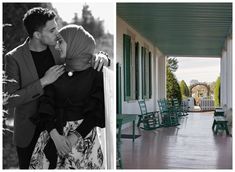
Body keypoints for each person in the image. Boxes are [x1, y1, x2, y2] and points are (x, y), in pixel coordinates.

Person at [4, 7, 109, 169]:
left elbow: (81, 53)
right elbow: (9, 100)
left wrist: (103, 57)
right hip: (30, 131)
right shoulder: (14, 58)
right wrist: (43, 82)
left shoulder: (59, 47)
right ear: (37, 35)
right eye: (52, 30)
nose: (57, 34)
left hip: (60, 126)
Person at [29, 24, 105, 169]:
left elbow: (97, 110)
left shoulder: (95, 74)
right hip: (53, 135)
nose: (57, 47)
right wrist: (56, 137)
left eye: (61, 42)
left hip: (83, 140)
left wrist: (73, 137)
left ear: (75, 43)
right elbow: (45, 105)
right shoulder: (56, 72)